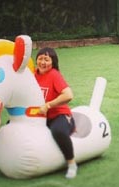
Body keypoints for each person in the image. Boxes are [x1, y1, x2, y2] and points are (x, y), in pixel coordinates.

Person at [35, 47, 78, 179]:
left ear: (52, 62)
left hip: (59, 115)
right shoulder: (32, 74)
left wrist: (48, 105)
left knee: (58, 131)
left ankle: (71, 164)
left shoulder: (54, 74)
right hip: (40, 116)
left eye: (47, 59)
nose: (43, 62)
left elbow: (68, 95)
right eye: (40, 59)